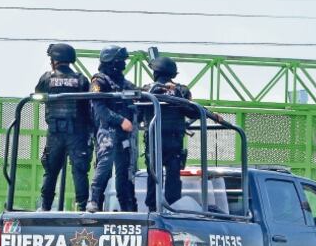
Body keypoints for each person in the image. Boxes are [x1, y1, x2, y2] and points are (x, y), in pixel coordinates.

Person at [35, 43, 92, 211]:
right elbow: (87, 107)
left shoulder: (47, 78)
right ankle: (82, 208)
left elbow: (38, 93)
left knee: (51, 171)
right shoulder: (81, 80)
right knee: (79, 171)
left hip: (55, 133)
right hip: (77, 133)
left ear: (55, 60)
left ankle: (45, 207)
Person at [142, 55, 197, 212]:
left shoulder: (147, 90)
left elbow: (137, 112)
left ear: (156, 72)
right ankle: (172, 209)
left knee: (153, 175)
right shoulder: (181, 91)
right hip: (174, 142)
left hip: (154, 141)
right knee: (173, 176)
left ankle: (153, 208)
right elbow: (193, 112)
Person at [87, 46, 137, 213]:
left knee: (125, 171)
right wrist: (120, 120)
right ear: (111, 62)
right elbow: (100, 108)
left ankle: (127, 208)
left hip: (125, 134)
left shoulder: (124, 83)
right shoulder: (99, 81)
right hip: (107, 130)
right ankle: (94, 200)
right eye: (120, 61)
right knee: (105, 165)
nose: (123, 64)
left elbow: (138, 95)